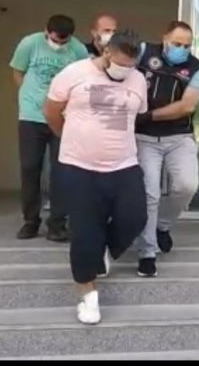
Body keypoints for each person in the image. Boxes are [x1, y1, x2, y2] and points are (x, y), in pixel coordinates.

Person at [43, 28, 149, 325]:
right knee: (85, 231)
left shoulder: (138, 80)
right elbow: (51, 111)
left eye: (131, 66)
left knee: (135, 218)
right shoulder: (74, 73)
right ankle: (87, 295)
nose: (125, 71)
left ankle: (101, 248)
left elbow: (136, 114)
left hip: (123, 164)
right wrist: (69, 137)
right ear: (106, 51)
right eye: (120, 64)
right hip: (79, 166)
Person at [134, 21, 199, 278]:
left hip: (179, 137)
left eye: (187, 45)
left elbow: (186, 106)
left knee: (187, 186)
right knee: (149, 194)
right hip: (143, 138)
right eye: (177, 44)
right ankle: (147, 253)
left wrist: (148, 115)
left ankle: (162, 226)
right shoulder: (144, 52)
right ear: (164, 38)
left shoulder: (197, 68)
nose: (182, 49)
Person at [10, 14, 89, 242]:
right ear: (47, 31)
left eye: (63, 41)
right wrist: (27, 95)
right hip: (31, 116)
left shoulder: (78, 50)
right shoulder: (30, 43)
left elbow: (83, 79)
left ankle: (57, 224)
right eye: (55, 40)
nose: (59, 44)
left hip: (63, 118)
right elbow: (17, 71)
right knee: (30, 168)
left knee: (61, 171)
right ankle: (30, 221)